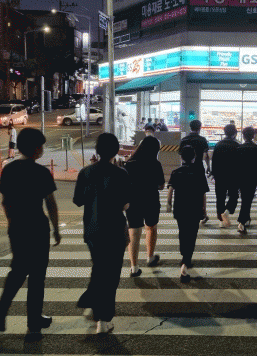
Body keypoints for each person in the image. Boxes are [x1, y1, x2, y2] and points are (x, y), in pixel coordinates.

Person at [0, 128, 61, 341]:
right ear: (37, 149)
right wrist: (56, 229)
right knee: (37, 277)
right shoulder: (41, 173)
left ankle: (1, 310)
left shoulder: (9, 170)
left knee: (18, 270)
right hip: (38, 228)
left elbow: (5, 202)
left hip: (17, 227)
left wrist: (12, 223)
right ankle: (33, 325)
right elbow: (50, 203)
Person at [73, 133, 131, 334]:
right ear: (115, 151)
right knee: (111, 274)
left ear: (97, 150)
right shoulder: (121, 174)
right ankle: (103, 320)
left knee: (99, 267)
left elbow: (78, 200)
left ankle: (93, 301)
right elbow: (125, 205)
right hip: (114, 229)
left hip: (93, 228)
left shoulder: (85, 172)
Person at [166, 145, 209, 283]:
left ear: (181, 157)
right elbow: (203, 194)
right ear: (194, 157)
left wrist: (169, 204)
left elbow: (170, 189)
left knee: (183, 232)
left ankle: (184, 255)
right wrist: (204, 210)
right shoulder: (199, 173)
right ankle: (186, 262)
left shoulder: (176, 172)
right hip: (194, 209)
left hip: (180, 208)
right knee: (192, 234)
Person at [124, 136, 165, 277]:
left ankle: (134, 267)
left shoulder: (129, 164)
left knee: (134, 232)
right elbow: (161, 185)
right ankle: (150, 257)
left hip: (133, 202)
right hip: (151, 200)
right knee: (151, 227)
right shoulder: (155, 164)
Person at [179, 119, 211, 224]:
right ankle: (204, 214)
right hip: (198, 168)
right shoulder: (202, 140)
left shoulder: (184, 140)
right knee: (201, 191)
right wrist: (208, 166)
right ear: (199, 128)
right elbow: (206, 155)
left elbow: (180, 155)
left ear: (190, 127)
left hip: (186, 168)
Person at [237, 127, 257, 233]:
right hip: (252, 177)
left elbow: (235, 162)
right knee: (248, 199)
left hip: (241, 177)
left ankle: (246, 218)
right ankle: (242, 221)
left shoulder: (239, 148)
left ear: (243, 136)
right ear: (253, 135)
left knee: (245, 198)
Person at [211, 124, 240, 228]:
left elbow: (214, 161)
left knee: (220, 197)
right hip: (233, 176)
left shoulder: (218, 145)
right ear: (235, 133)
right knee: (234, 196)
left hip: (220, 175)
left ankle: (221, 220)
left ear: (224, 132)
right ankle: (227, 211)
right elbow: (240, 163)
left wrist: (213, 174)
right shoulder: (237, 145)